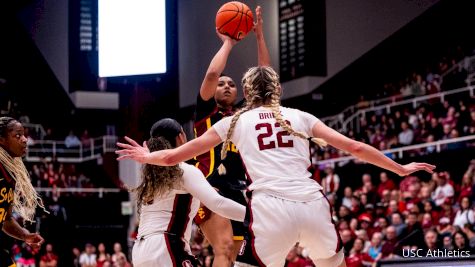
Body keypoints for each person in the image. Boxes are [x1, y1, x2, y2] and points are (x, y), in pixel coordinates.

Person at [117, 66, 436, 267]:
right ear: (278, 90)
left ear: (246, 93)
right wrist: (400, 168)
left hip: (269, 210)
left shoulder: (236, 121)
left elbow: (175, 156)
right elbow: (354, 147)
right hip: (313, 203)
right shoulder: (302, 116)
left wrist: (146, 158)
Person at [191, 6, 270, 266]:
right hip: (210, 185)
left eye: (232, 84)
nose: (226, 85)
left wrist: (259, 37)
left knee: (234, 254)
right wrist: (228, 42)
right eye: (222, 84)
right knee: (224, 248)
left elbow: (266, 80)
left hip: (240, 189)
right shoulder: (206, 112)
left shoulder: (244, 116)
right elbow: (212, 74)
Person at [130, 118, 246, 267]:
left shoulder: (152, 177)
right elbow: (219, 204)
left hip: (140, 250)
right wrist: (253, 214)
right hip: (165, 245)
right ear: (181, 137)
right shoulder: (183, 170)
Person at [0, 117, 46, 266]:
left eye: (24, 135)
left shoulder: (9, 174)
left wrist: (24, 235)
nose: (25, 140)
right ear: (2, 140)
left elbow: (5, 219)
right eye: (18, 135)